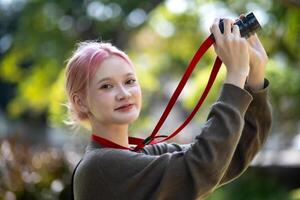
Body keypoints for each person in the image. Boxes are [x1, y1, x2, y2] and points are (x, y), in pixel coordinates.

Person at [64, 18, 272, 200]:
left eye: (129, 81)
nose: (124, 93)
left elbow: (228, 157)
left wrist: (255, 75)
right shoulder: (100, 166)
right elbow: (202, 166)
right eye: (106, 86)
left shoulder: (143, 155)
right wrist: (236, 74)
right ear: (80, 101)